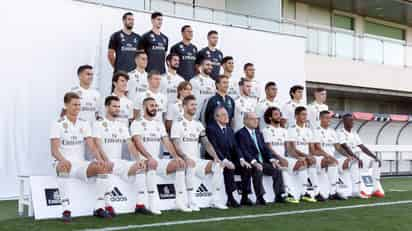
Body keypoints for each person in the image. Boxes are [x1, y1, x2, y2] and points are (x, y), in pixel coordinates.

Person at [50, 93, 113, 222]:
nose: (77, 107)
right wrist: (63, 160)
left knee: (102, 167)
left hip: (80, 164)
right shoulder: (57, 123)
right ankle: (66, 210)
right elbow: (54, 150)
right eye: (74, 104)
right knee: (63, 165)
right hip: (62, 162)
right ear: (66, 105)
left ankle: (99, 207)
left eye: (79, 104)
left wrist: (101, 160)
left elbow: (92, 146)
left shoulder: (84, 123)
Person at [131, 97, 192, 214]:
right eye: (151, 106)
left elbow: (167, 141)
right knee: (152, 163)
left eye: (155, 106)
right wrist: (149, 157)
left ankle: (179, 202)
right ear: (144, 107)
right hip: (142, 161)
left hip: (156, 161)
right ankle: (151, 203)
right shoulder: (137, 123)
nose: (154, 108)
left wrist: (176, 157)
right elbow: (137, 143)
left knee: (180, 164)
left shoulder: (159, 123)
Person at [93, 96, 150, 214]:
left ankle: (140, 204)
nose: (117, 109)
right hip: (104, 162)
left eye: (118, 107)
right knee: (105, 166)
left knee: (142, 165)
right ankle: (105, 204)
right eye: (114, 106)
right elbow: (97, 145)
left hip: (118, 163)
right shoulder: (98, 124)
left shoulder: (122, 125)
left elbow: (130, 144)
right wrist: (107, 160)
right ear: (106, 107)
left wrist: (138, 159)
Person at [171, 95, 228, 210]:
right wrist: (185, 157)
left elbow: (206, 143)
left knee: (218, 165)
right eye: (192, 105)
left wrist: (215, 156)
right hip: (183, 160)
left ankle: (215, 200)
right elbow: (176, 145)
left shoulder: (198, 124)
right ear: (184, 106)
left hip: (196, 160)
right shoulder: (177, 123)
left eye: (195, 105)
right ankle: (191, 201)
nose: (194, 107)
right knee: (191, 164)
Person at [235, 112, 286, 205]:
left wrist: (272, 159)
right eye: (252, 119)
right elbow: (243, 151)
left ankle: (279, 195)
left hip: (262, 162)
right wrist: (254, 162)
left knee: (277, 169)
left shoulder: (258, 133)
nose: (256, 121)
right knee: (257, 170)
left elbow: (264, 148)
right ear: (245, 121)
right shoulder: (240, 134)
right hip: (250, 162)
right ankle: (260, 197)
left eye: (257, 119)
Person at [311, 110, 356, 200]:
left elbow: (338, 147)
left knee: (353, 161)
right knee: (333, 162)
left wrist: (348, 156)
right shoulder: (316, 131)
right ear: (320, 119)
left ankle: (354, 189)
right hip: (320, 158)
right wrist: (327, 155)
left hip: (331, 158)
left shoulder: (332, 132)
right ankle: (332, 192)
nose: (328, 120)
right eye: (326, 118)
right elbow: (317, 148)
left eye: (329, 118)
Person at [338, 113, 384, 198]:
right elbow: (345, 147)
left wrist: (375, 157)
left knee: (376, 162)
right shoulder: (340, 132)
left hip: (358, 155)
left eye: (353, 120)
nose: (352, 122)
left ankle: (375, 189)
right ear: (344, 121)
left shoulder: (354, 133)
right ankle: (356, 191)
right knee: (355, 162)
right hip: (346, 157)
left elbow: (362, 147)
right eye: (350, 120)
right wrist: (356, 158)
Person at [206, 107, 241, 208]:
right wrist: (225, 161)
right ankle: (230, 198)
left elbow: (235, 147)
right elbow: (214, 147)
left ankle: (245, 196)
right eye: (224, 115)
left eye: (227, 114)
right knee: (227, 168)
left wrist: (242, 159)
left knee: (247, 167)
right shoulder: (211, 129)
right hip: (215, 158)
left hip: (228, 158)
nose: (227, 117)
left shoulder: (229, 129)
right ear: (217, 117)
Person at [286, 106, 318, 202]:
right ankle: (304, 193)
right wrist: (306, 156)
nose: (305, 117)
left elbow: (311, 148)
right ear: (296, 116)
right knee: (304, 161)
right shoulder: (291, 129)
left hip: (305, 156)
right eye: (303, 114)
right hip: (294, 156)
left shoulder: (308, 130)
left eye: (306, 114)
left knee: (313, 161)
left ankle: (316, 192)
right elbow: (292, 149)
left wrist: (311, 156)